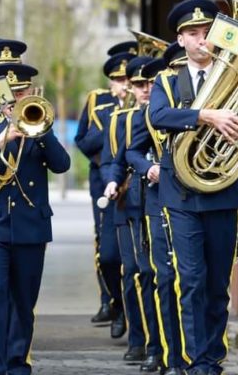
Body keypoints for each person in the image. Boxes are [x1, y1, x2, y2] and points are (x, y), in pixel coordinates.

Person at [149, 0, 238, 375]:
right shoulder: (168, 79)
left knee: (218, 286)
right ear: (181, 39)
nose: (201, 39)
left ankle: (212, 360)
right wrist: (206, 115)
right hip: (182, 196)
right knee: (190, 282)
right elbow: (158, 117)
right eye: (193, 33)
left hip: (222, 194)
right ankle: (193, 361)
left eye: (208, 32)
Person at [0, 61, 70, 375]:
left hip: (30, 225)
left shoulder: (40, 122)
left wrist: (40, 132)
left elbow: (62, 164)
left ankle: (18, 364)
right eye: (9, 91)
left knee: (23, 302)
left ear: (29, 91)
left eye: (21, 90)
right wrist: (3, 138)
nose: (14, 97)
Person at [102, 56, 166, 371]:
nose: (145, 89)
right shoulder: (123, 119)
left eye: (151, 83)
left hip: (159, 204)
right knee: (135, 275)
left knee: (156, 275)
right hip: (131, 205)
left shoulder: (166, 111)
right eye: (140, 84)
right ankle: (139, 340)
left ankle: (157, 343)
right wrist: (112, 182)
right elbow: (116, 158)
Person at [127, 42, 187, 375]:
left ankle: (198, 357)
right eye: (176, 71)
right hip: (159, 201)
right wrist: (147, 168)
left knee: (196, 281)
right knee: (164, 278)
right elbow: (132, 152)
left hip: (199, 198)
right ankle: (167, 355)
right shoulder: (149, 114)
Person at [75, 41, 137, 324]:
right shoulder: (97, 101)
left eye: (126, 79)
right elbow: (83, 140)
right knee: (104, 242)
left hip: (133, 178)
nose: (122, 84)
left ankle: (129, 306)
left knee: (130, 247)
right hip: (102, 178)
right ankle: (109, 300)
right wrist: (115, 120)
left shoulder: (141, 100)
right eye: (117, 79)